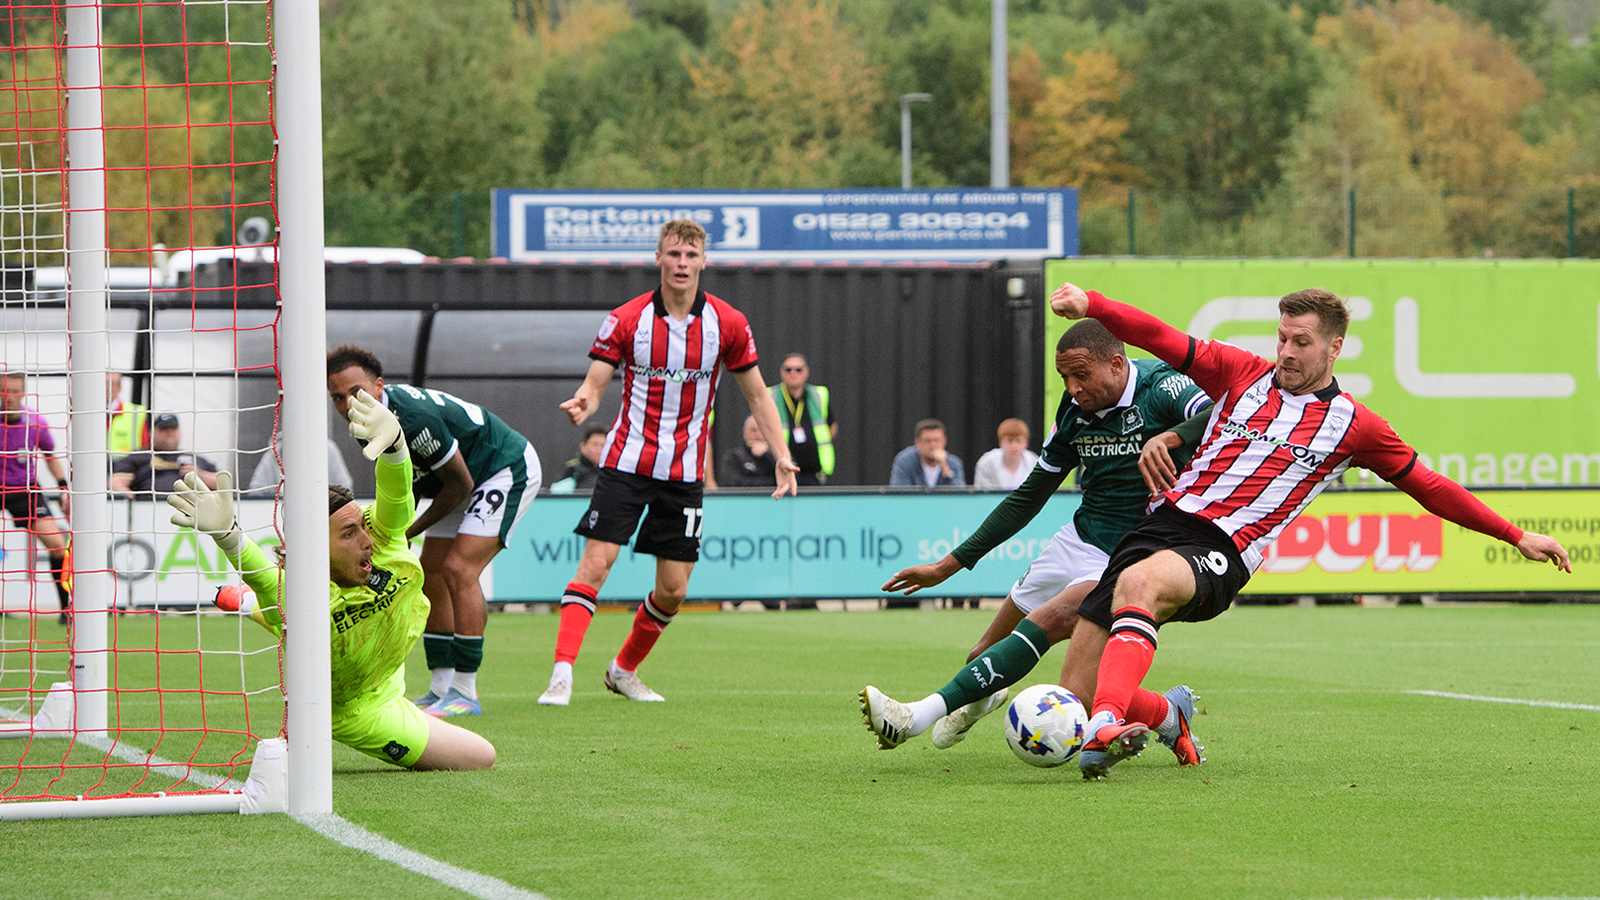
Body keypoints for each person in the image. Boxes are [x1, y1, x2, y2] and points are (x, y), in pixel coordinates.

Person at [1044, 282, 1569, 779]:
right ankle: (1163, 714)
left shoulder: (1355, 425)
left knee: (1138, 588)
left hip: (1223, 545)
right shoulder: (1239, 373)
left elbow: (1427, 485)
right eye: (1281, 338)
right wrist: (1095, 303)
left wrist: (1514, 535)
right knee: (1079, 688)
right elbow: (1157, 335)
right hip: (1158, 525)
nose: (1287, 351)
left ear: (1334, 347)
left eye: (1302, 341)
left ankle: (1104, 728)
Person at [861, 321, 1213, 758]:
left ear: (1117, 364)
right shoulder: (1072, 411)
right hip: (1082, 537)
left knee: (1059, 619)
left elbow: (1224, 413)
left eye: (1081, 375)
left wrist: (1172, 435)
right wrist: (947, 565)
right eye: (1064, 377)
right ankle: (1161, 713)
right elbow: (1028, 496)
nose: (1072, 387)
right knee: (985, 651)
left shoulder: (1162, 387)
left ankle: (915, 716)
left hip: (1139, 550)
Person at [537, 218, 798, 707]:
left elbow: (758, 394)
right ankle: (561, 675)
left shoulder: (728, 323)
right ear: (658, 258)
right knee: (596, 564)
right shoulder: (628, 318)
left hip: (683, 474)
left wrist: (783, 456)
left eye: (690, 255)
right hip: (626, 463)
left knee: (674, 590)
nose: (682, 264)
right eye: (673, 254)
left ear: (703, 261)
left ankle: (622, 671)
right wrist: (584, 401)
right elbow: (595, 382)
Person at [167, 390, 494, 770]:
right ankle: (243, 601)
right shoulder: (299, 591)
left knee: (485, 757)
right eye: (348, 534)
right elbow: (261, 572)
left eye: (361, 528)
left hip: (387, 676)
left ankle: (246, 603)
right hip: (358, 707)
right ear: (313, 549)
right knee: (280, 611)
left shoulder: (382, 539)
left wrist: (396, 449)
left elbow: (396, 497)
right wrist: (228, 535)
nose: (367, 542)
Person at [326, 345, 541, 718]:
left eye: (355, 392)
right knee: (431, 576)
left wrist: (409, 529)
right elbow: (407, 483)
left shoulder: (412, 417)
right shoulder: (363, 422)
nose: (347, 403)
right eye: (337, 397)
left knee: (460, 571)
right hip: (454, 484)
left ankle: (465, 691)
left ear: (379, 386)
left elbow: (460, 482)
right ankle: (441, 687)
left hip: (501, 468)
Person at [0, 370, 72, 620]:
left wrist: (63, 487)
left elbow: (50, 456)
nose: (9, 397)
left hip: (24, 489)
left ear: (23, 393)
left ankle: (66, 608)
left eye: (15, 391)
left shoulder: (35, 422)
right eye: (4, 391)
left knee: (57, 546)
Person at [110, 413, 219, 497]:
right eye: (164, 429)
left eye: (173, 428)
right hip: (148, 510)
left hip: (191, 514)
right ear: (152, 432)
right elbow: (116, 482)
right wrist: (129, 500)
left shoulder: (194, 459)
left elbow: (224, 484)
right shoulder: (139, 457)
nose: (169, 433)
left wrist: (201, 475)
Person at [770, 353, 836, 486]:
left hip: (814, 473)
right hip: (781, 471)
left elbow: (832, 425)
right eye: (788, 369)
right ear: (781, 372)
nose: (793, 373)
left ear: (806, 372)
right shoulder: (771, 396)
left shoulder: (819, 395)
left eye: (798, 370)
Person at [246, 433, 353, 497]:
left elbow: (345, 488)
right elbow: (256, 491)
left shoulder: (328, 450)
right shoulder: (272, 455)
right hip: (282, 517)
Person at [889, 419, 965, 487]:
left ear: (944, 441)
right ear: (917, 442)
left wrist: (945, 468)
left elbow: (959, 496)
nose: (932, 445)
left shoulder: (954, 463)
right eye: (927, 441)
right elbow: (899, 493)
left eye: (936, 440)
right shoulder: (905, 461)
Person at [972, 418, 1039, 491]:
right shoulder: (987, 463)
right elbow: (983, 496)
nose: (1014, 446)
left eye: (1018, 441)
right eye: (1009, 441)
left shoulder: (1034, 462)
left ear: (1026, 443)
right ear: (1001, 442)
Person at [718, 415, 776, 487]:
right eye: (753, 430)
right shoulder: (734, 457)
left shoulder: (778, 457)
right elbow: (732, 483)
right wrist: (769, 482)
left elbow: (789, 479)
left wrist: (766, 454)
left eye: (762, 431)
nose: (758, 435)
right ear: (744, 432)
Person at [550, 423, 606, 493]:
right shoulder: (572, 469)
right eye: (595, 444)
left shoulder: (611, 471)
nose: (599, 450)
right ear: (583, 446)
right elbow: (556, 495)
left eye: (603, 445)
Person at [105, 372, 149, 457]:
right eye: (105, 384)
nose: (108, 388)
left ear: (119, 388)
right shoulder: (84, 412)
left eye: (112, 384)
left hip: (128, 467)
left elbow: (145, 446)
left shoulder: (136, 413)